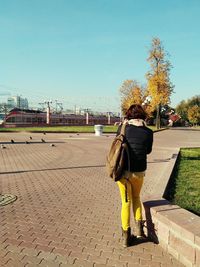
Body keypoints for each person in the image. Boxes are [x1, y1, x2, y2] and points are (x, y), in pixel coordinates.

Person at [116, 104, 153, 247]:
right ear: (142, 116)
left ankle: (126, 237)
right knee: (137, 198)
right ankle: (139, 231)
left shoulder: (122, 129)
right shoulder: (148, 132)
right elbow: (148, 151)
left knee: (126, 203)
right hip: (139, 172)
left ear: (128, 115)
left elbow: (117, 145)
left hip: (123, 173)